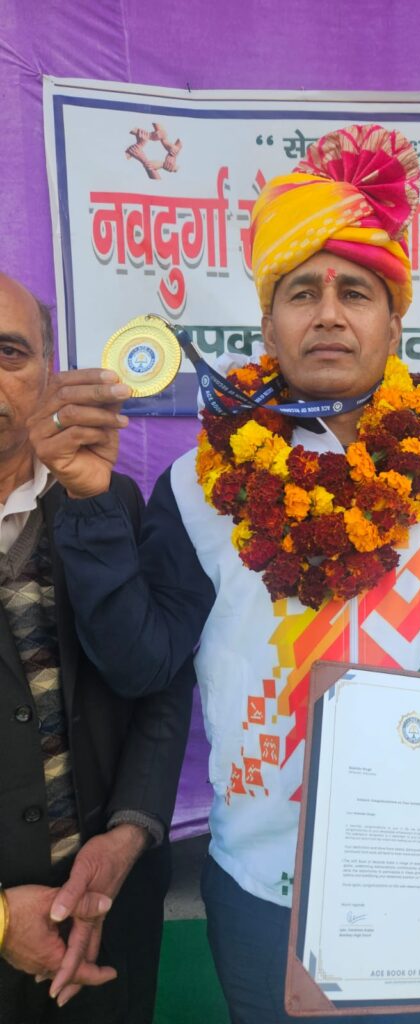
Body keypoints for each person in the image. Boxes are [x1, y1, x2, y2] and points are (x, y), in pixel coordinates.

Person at [29, 124, 420, 1024]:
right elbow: (140, 663)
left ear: (395, 320)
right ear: (266, 320)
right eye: (300, 291)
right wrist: (89, 505)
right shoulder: (196, 487)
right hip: (262, 893)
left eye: (356, 291)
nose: (328, 312)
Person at [0, 272, 193, 1024]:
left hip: (109, 911)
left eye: (9, 352)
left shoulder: (107, 498)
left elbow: (158, 680)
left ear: (50, 373)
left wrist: (126, 834)